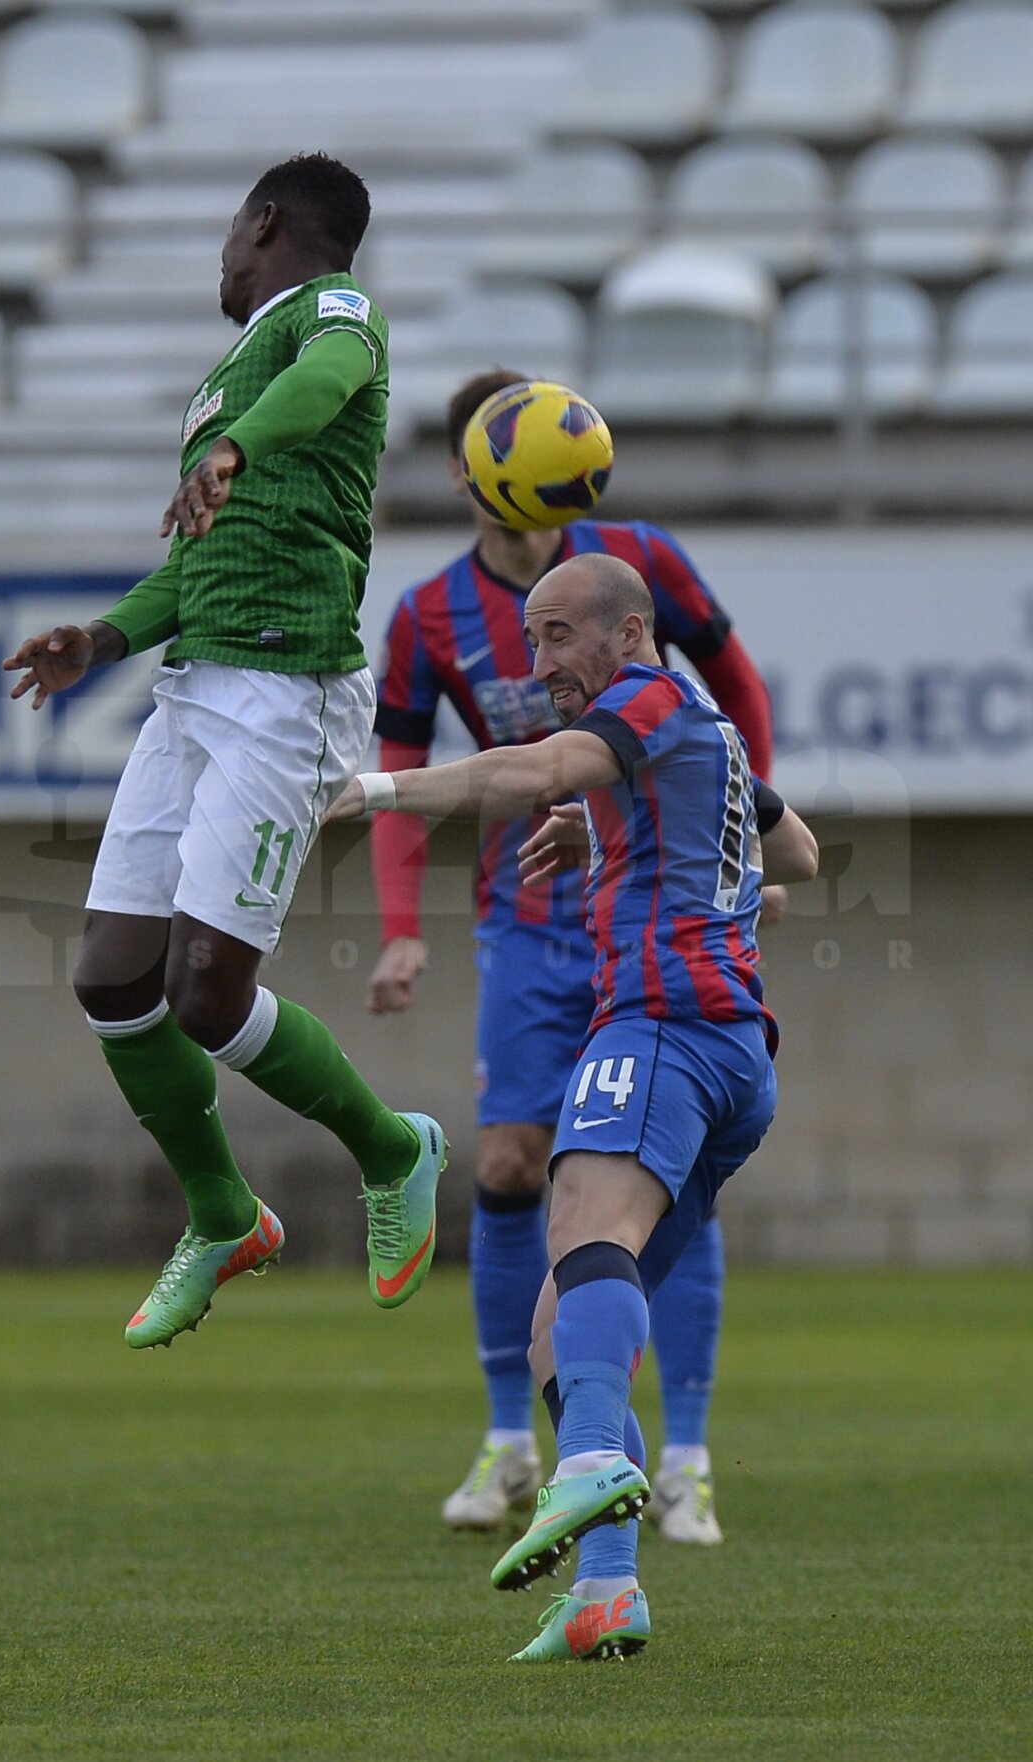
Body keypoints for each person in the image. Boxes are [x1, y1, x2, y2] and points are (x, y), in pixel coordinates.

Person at [331, 552, 817, 1661]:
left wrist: (372, 790)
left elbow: (532, 768)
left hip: (660, 1028)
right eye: (531, 635)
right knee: (565, 1319)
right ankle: (608, 1585)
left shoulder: (642, 700)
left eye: (558, 637)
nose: (536, 659)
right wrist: (622, 833)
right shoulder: (704, 731)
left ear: (631, 632)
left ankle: (600, 1466)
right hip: (732, 1053)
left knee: (584, 1236)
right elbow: (797, 849)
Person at [2, 152, 445, 1348]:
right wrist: (100, 637)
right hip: (195, 688)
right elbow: (196, 570)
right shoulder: (227, 384)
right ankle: (222, 1212)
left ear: (265, 223)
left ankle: (395, 1149)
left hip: (286, 688)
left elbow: (336, 374)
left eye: (230, 234)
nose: (221, 257)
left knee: (207, 993)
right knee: (111, 979)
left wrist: (235, 446)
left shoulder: (332, 317)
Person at [369, 370, 776, 1541]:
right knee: (507, 1165)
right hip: (530, 919)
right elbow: (428, 764)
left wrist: (731, 846)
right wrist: (401, 923)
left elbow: (733, 689)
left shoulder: (630, 566)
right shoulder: (428, 615)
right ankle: (514, 1440)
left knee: (653, 1192)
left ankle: (684, 1455)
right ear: (464, 472)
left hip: (655, 910)